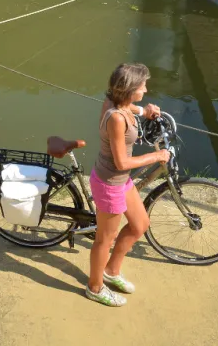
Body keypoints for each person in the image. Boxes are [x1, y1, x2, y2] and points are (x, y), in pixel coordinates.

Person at [86, 63, 170, 307]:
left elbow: (130, 106)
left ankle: (111, 271)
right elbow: (122, 162)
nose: (146, 88)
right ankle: (95, 287)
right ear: (130, 88)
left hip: (121, 181)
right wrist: (156, 156)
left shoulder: (118, 104)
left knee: (140, 224)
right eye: (143, 85)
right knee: (105, 238)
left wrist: (144, 111)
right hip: (110, 182)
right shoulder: (116, 118)